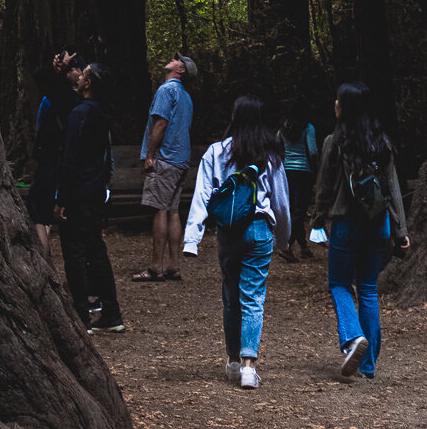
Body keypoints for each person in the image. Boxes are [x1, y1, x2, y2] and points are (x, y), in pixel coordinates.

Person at [183, 94, 290, 389]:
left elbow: (203, 195)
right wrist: (283, 238)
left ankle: (232, 361)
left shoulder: (216, 152)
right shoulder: (270, 156)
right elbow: (280, 202)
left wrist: (192, 238)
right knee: (253, 296)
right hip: (259, 230)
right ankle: (248, 366)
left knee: (231, 296)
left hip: (228, 231)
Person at [310, 80, 410, 380]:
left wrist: (317, 219)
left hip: (346, 225)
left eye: (338, 100)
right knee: (367, 289)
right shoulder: (382, 143)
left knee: (339, 284)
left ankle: (353, 339)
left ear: (347, 106)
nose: (335, 104)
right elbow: (393, 189)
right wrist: (400, 231)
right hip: (378, 227)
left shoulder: (335, 142)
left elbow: (325, 187)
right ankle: (368, 365)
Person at [54, 61, 125, 333]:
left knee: (74, 252)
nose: (78, 76)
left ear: (89, 83)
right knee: (96, 250)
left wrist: (61, 198)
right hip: (96, 191)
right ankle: (111, 312)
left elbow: (70, 158)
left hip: (78, 193)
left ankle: (82, 316)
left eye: (82, 74)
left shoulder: (80, 114)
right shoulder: (99, 112)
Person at [134, 51, 197, 282]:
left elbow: (160, 124)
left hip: (166, 159)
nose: (172, 59)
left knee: (160, 209)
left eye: (177, 60)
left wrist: (150, 155)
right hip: (181, 160)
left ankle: (155, 268)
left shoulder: (166, 90)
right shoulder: (186, 96)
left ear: (180, 71)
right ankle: (173, 266)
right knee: (172, 210)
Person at [26, 51, 83, 257]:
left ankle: (44, 267)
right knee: (44, 214)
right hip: (65, 166)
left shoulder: (68, 101)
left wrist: (57, 69)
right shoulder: (77, 101)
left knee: (40, 215)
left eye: (75, 68)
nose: (72, 70)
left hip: (55, 165)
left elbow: (41, 77)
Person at [279, 99, 319, 260]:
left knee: (292, 210)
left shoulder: (283, 128)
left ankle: (303, 247)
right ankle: (287, 246)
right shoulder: (308, 128)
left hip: (287, 171)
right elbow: (313, 151)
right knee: (299, 211)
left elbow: (277, 146)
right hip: (304, 172)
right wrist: (317, 167)